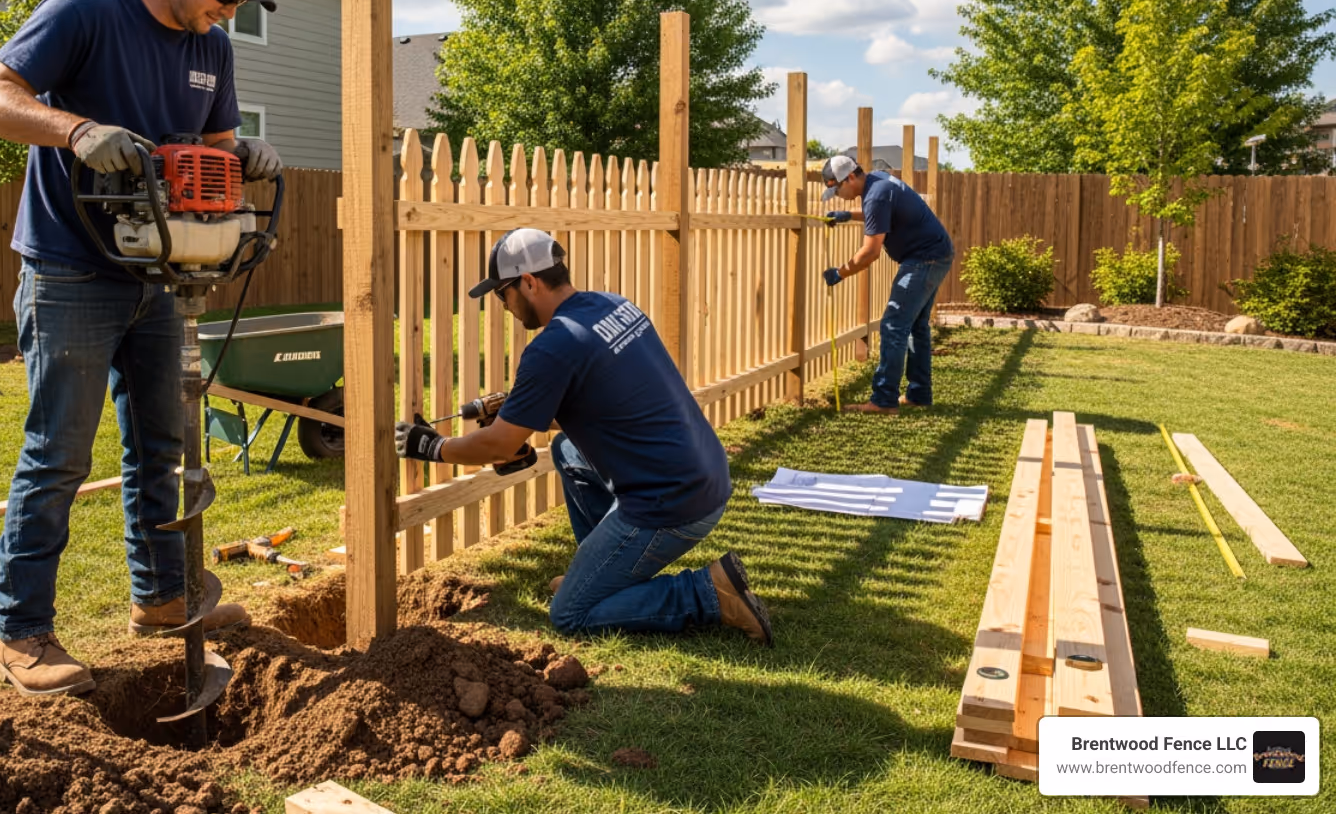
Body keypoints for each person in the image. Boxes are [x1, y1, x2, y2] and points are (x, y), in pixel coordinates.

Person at [0, 0, 283, 695]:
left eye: (241, 0)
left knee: (162, 448)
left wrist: (240, 154)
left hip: (162, 274)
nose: (229, 9)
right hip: (71, 270)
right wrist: (73, 130)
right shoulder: (86, 12)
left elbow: (210, 147)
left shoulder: (212, 47)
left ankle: (163, 598)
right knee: (60, 453)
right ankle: (22, 633)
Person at [394, 229, 773, 646]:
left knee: (571, 613)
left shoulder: (553, 347)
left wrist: (431, 446)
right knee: (568, 449)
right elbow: (609, 403)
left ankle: (706, 593)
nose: (504, 306)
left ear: (529, 283)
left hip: (671, 502)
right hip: (704, 473)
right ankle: (598, 574)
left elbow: (499, 446)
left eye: (503, 294)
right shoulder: (613, 306)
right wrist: (525, 413)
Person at [817, 154, 955, 414]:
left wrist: (840, 272)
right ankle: (919, 394)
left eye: (837, 189)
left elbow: (870, 253)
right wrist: (849, 215)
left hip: (923, 260)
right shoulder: (878, 181)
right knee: (916, 326)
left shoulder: (877, 193)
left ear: (850, 178)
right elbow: (877, 211)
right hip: (936, 254)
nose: (837, 194)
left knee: (893, 325)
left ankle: (883, 401)